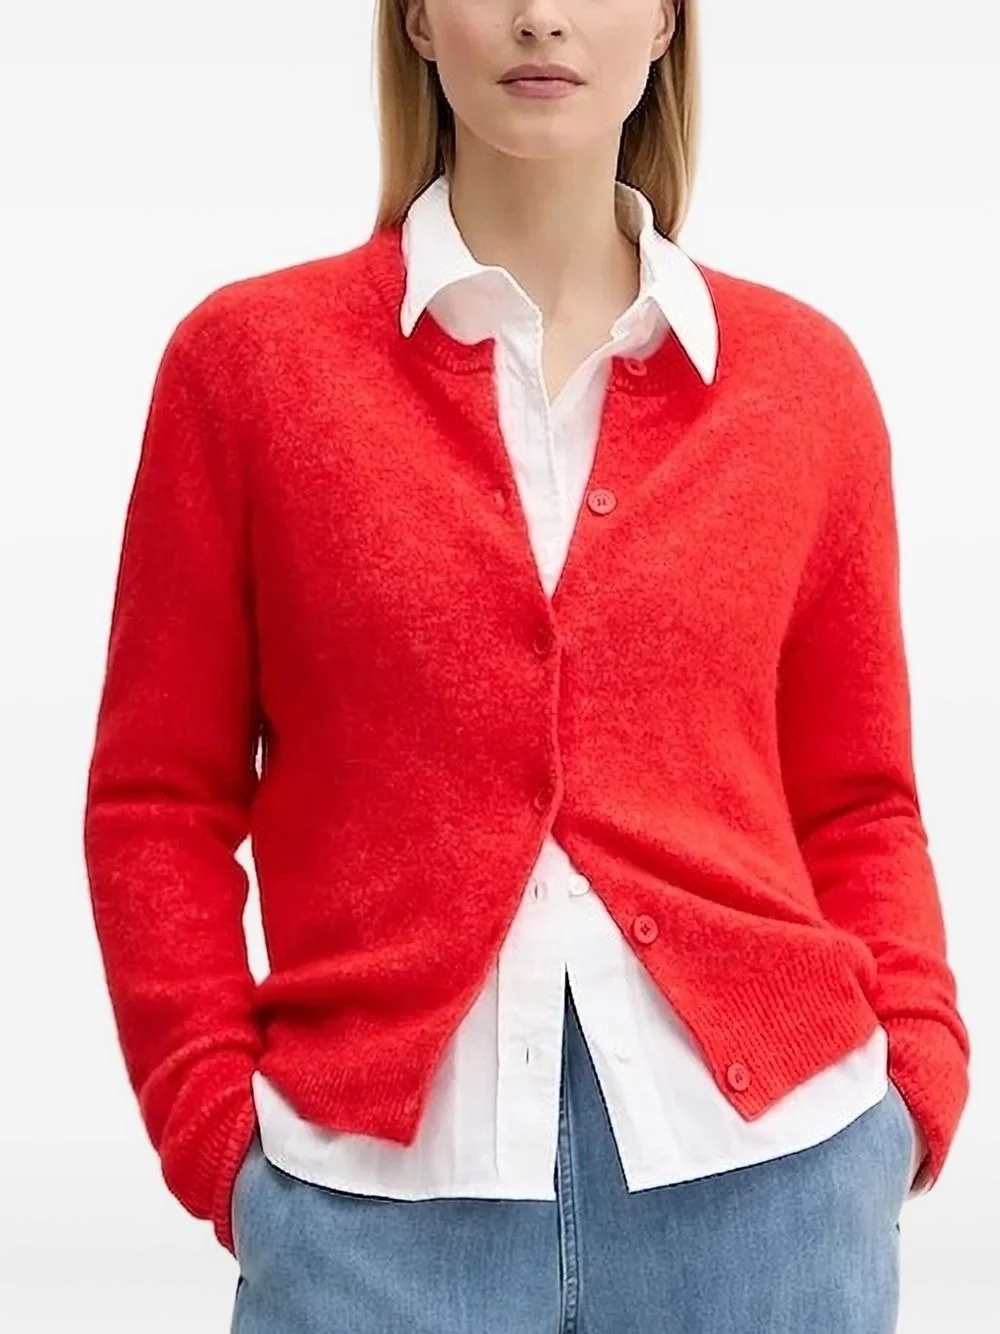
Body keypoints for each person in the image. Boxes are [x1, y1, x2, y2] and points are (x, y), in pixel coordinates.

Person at [82, 2, 971, 1331]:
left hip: (777, 1199)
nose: (542, 16)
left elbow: (858, 801)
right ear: (417, 20)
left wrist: (914, 1082)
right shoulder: (252, 368)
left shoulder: (803, 383)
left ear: (665, 23)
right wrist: (215, 1129)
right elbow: (159, 797)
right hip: (368, 1219)